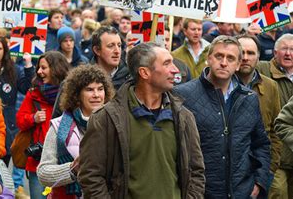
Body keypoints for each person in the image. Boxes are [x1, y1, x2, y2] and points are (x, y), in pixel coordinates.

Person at [79, 42, 205, 198]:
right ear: (144, 73)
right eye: (167, 63)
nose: (176, 70)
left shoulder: (184, 117)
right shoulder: (107, 118)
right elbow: (91, 175)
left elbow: (196, 171)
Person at [174, 36, 271, 198]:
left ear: (239, 64)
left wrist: (259, 182)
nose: (224, 62)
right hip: (201, 191)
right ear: (208, 58)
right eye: (219, 56)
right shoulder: (183, 95)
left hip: (241, 191)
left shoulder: (249, 98)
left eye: (231, 58)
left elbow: (261, 144)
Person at [37, 65, 114, 198]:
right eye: (89, 90)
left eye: (100, 89)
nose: (96, 95)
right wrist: (73, 169)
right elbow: (43, 173)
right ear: (77, 94)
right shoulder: (58, 126)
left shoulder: (115, 124)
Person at [16, 51, 70, 199]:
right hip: (38, 161)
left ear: (56, 69)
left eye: (43, 68)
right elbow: (20, 120)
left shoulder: (72, 94)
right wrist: (33, 118)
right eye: (39, 68)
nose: (39, 71)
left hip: (65, 162)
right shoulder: (33, 93)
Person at [236, 34, 282, 178]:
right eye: (241, 52)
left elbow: (276, 129)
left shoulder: (270, 86)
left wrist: (270, 168)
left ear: (258, 57)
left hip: (261, 167)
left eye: (250, 53)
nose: (245, 57)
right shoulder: (221, 85)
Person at [0, 36, 34, 163]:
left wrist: (28, 66)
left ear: (5, 50)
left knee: (5, 158)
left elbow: (26, 88)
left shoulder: (13, 69)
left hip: (8, 121)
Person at [258, 33, 293, 198]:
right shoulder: (262, 69)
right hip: (275, 154)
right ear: (274, 52)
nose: (288, 53)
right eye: (284, 49)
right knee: (278, 193)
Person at [91, 26, 130, 90]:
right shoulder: (84, 78)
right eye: (110, 46)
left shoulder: (130, 76)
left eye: (119, 45)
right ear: (97, 50)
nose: (117, 51)